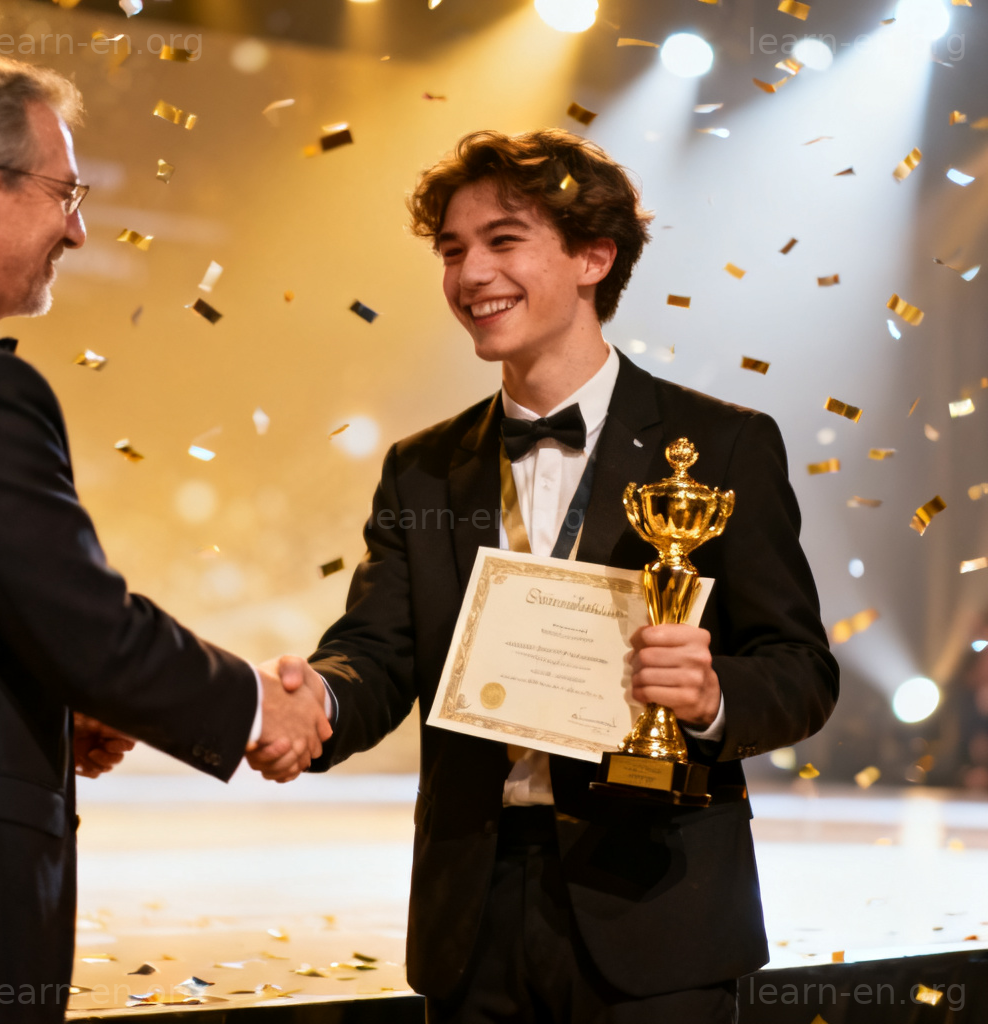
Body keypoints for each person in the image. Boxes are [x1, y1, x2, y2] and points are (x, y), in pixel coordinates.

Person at [268, 128, 839, 1022]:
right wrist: (318, 704)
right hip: (474, 914)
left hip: (658, 910)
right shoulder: (423, 468)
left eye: (503, 241)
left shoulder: (725, 445)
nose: (469, 276)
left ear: (592, 257)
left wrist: (711, 691)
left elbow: (801, 669)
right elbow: (377, 653)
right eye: (452, 251)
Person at [0, 52, 330, 1024]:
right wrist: (258, 705)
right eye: (64, 193)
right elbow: (86, 629)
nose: (79, 229)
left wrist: (44, 700)